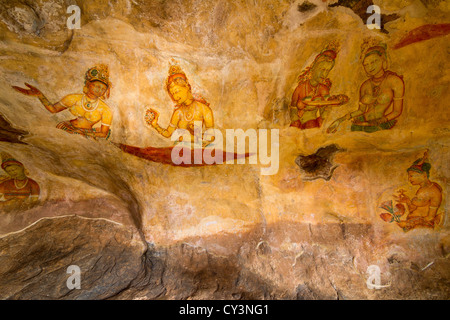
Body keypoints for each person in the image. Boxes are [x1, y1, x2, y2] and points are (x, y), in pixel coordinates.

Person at [12, 64, 113, 140]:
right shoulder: (74, 98)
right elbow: (53, 109)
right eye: (97, 86)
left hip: (86, 135)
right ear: (88, 84)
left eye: (103, 88)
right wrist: (40, 95)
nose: (99, 90)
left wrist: (83, 133)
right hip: (66, 128)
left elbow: (103, 133)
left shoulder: (105, 109)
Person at [327, 39, 405, 133]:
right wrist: (341, 119)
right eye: (366, 65)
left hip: (381, 124)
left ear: (382, 60)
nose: (370, 67)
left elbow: (397, 111)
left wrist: (381, 121)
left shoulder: (395, 81)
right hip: (361, 122)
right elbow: (361, 110)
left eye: (373, 62)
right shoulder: (365, 85)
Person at [146, 61, 215, 147]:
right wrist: (155, 125)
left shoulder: (204, 109)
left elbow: (211, 136)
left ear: (187, 87)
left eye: (177, 91)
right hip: (180, 152)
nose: (175, 97)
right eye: (173, 94)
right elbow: (168, 133)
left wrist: (186, 137)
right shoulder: (178, 113)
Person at [290, 42, 349, 130]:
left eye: (327, 71)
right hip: (297, 123)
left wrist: (324, 115)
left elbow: (324, 109)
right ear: (314, 67)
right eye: (322, 69)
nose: (324, 74)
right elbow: (293, 107)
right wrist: (295, 120)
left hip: (312, 123)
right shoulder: (301, 87)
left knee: (311, 126)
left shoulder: (323, 89)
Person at [393, 151, 443, 231]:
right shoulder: (421, 189)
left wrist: (408, 223)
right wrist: (408, 201)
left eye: (411, 176)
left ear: (424, 175)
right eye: (409, 176)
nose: (409, 179)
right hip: (412, 225)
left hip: (422, 227)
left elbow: (430, 218)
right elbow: (415, 210)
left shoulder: (434, 192)